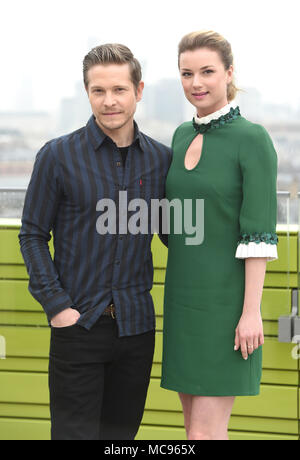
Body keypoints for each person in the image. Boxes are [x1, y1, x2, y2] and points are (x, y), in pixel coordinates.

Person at [19, 43, 172, 440]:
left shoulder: (161, 160)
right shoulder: (57, 156)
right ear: (87, 92)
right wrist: (57, 307)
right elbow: (33, 235)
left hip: (136, 330)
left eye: (119, 90)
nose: (109, 101)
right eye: (98, 91)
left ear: (138, 91)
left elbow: (176, 234)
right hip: (79, 327)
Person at [160, 30, 278, 441]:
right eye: (187, 73)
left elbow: (259, 234)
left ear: (229, 72)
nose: (197, 83)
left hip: (227, 306)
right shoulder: (179, 135)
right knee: (193, 430)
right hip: (182, 301)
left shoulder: (253, 139)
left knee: (204, 433)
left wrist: (251, 312)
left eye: (207, 71)